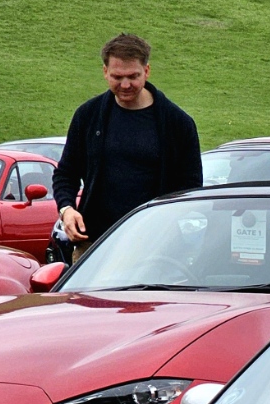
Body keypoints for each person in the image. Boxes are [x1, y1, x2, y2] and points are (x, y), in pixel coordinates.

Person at [53, 33, 203, 253]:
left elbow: (190, 186)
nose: (125, 85)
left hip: (157, 247)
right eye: (117, 77)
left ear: (147, 71)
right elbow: (66, 173)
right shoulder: (88, 116)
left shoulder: (178, 123)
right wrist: (66, 209)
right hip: (94, 245)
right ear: (105, 72)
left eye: (133, 76)